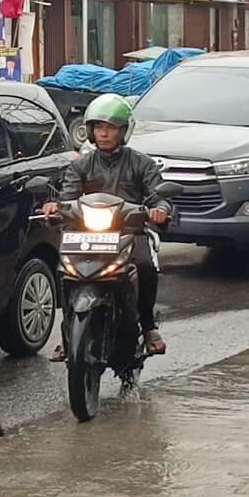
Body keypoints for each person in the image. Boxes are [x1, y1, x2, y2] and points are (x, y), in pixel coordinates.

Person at [44, 93, 172, 358]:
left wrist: (160, 209)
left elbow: (158, 195)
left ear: (123, 131)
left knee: (146, 267)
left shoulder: (141, 163)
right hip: (87, 235)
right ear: (90, 131)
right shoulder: (80, 166)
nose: (104, 133)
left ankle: (147, 327)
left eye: (111, 128)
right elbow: (67, 196)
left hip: (129, 232)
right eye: (99, 127)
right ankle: (69, 332)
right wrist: (56, 207)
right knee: (64, 271)